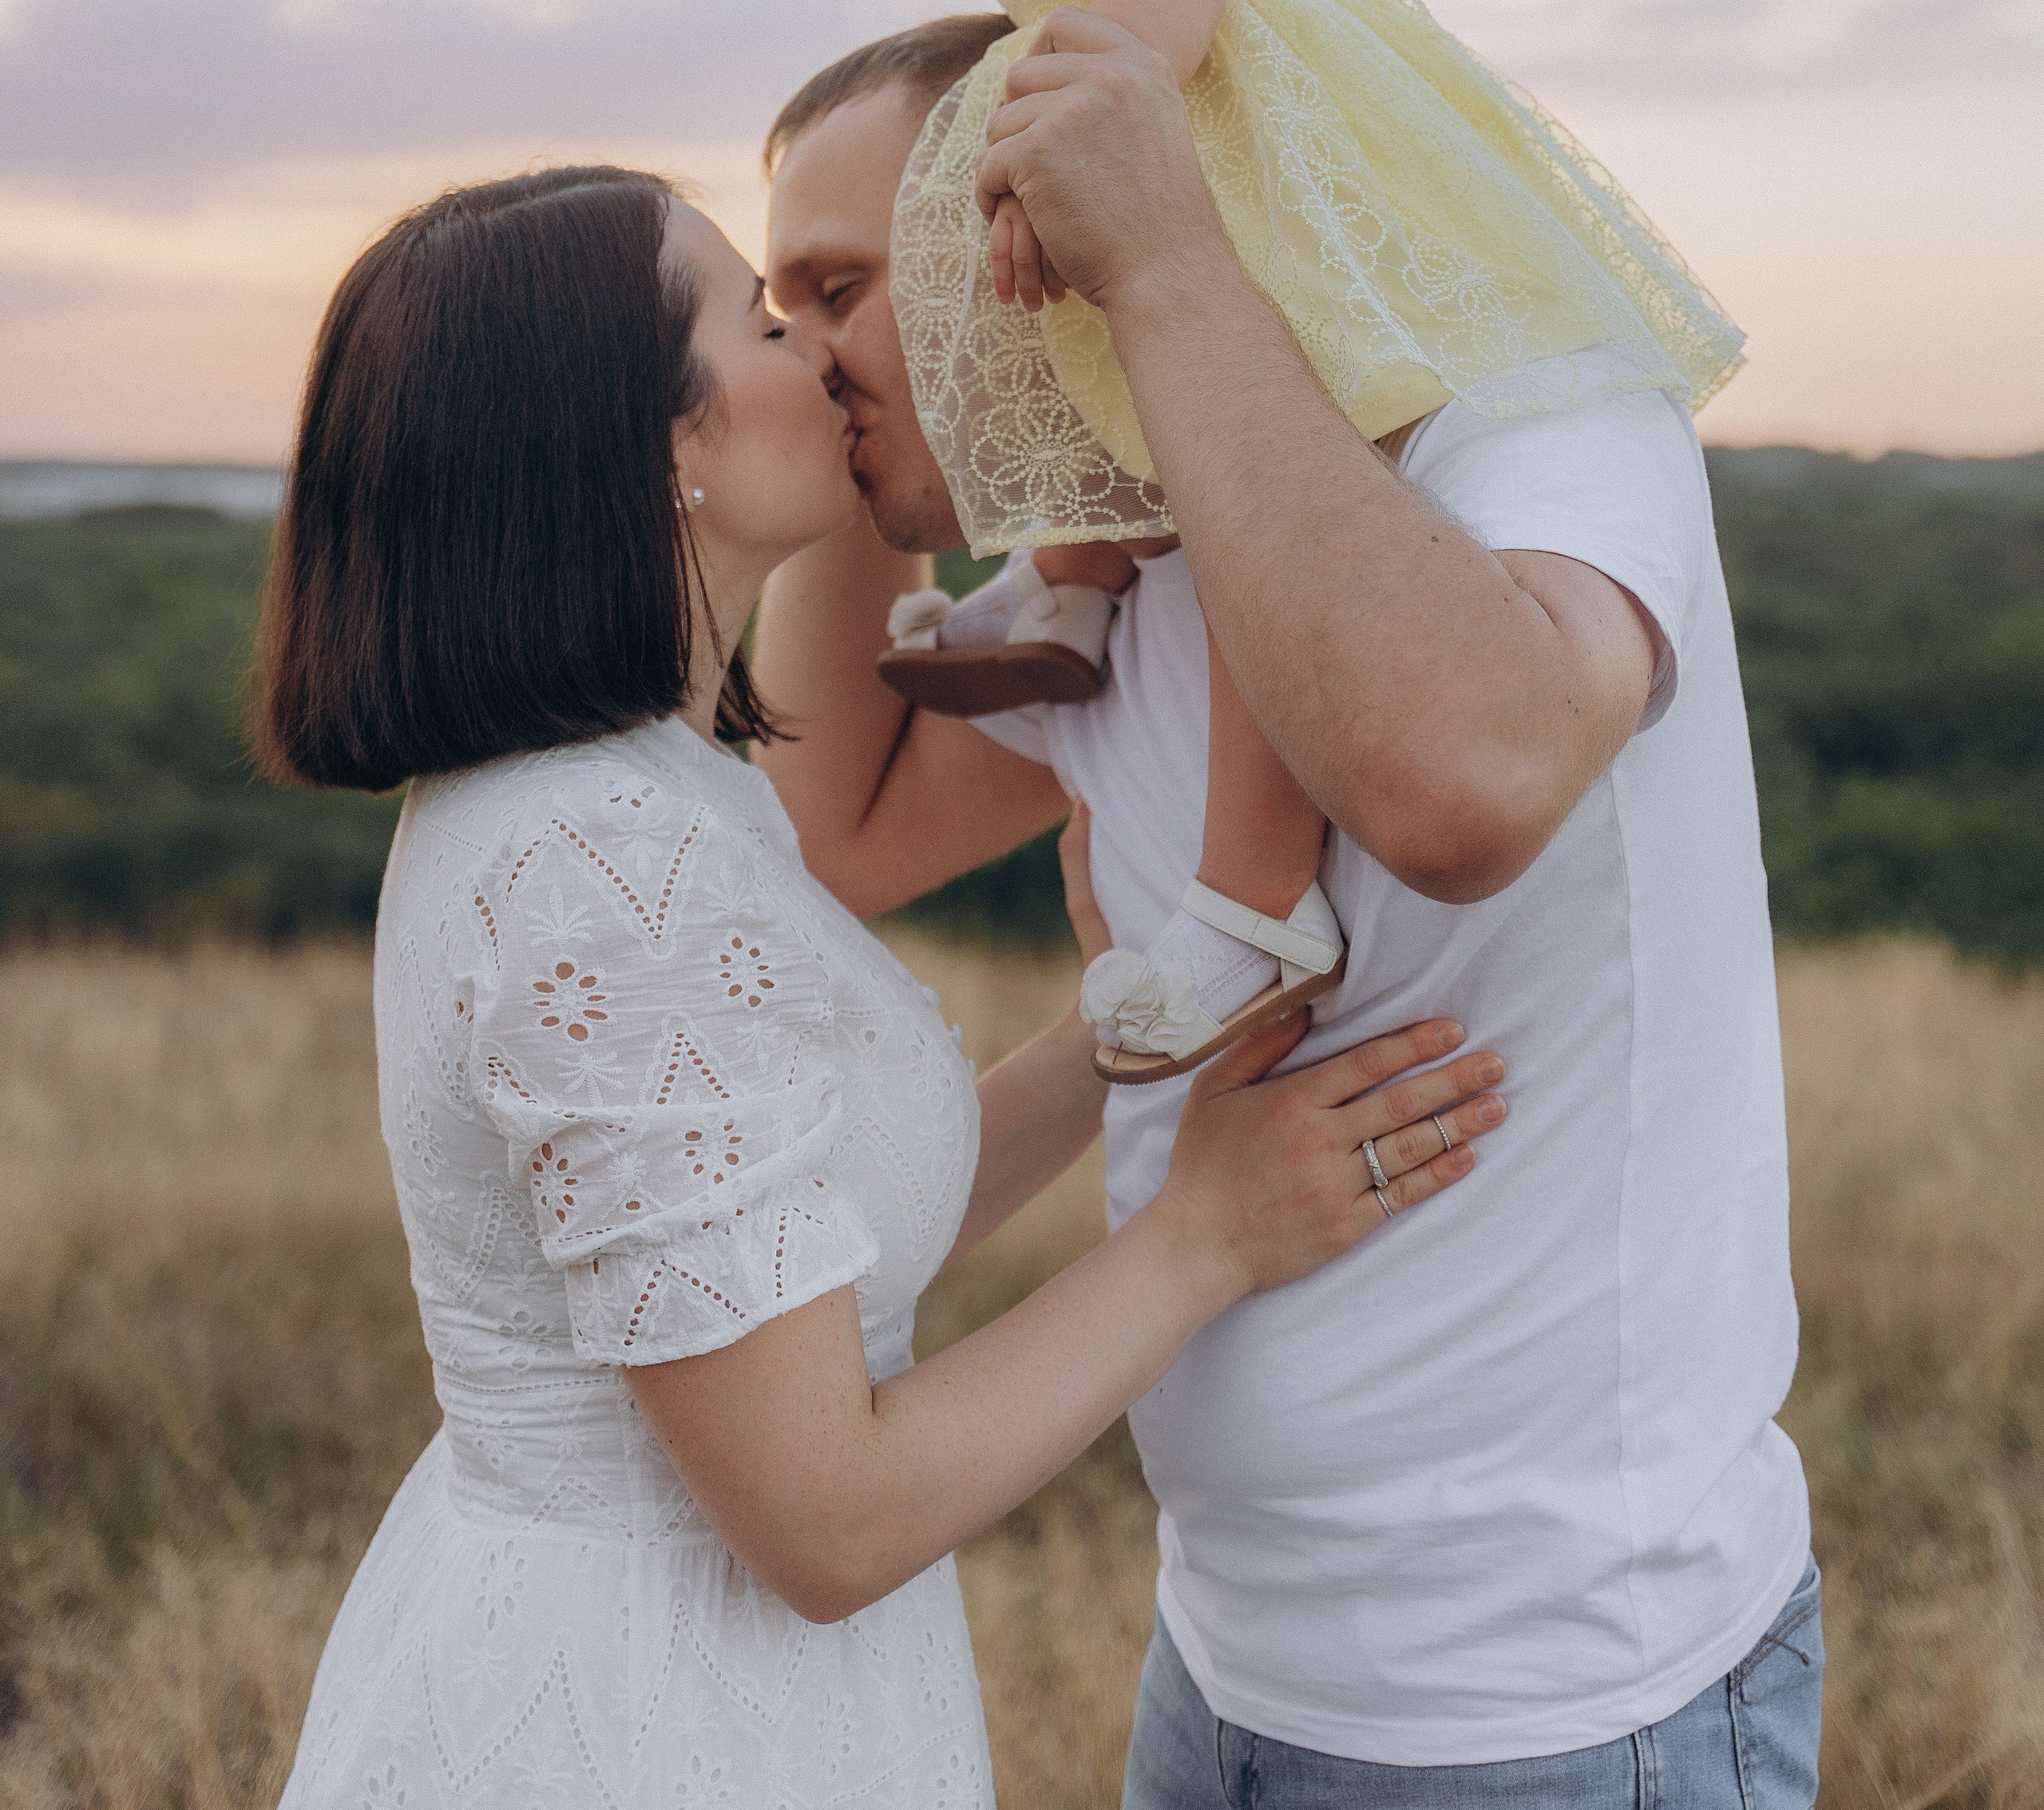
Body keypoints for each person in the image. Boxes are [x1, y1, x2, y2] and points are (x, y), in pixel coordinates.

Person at [256, 163, 1507, 1810]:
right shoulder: (607, 875)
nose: (830, 356)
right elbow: (823, 1519)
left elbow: (776, 1251)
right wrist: (1208, 1234)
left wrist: (1116, 1037)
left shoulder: (628, 797)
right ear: (661, 445)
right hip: (647, 1723)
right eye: (764, 320)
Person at [757, 22, 1825, 1804]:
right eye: (773, 309)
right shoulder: (1097, 575)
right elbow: (836, 833)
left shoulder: (1530, 403)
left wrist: (1168, 258)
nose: (800, 352)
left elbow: (1465, 784)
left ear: (1018, 224)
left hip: (1551, 1706)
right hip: (1226, 1662)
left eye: (837, 288)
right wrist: (814, 440)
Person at [881, 0, 1744, 1082]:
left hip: (1223, 180)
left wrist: (1090, 95)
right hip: (1314, 158)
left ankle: (1247, 900)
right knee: (1154, 427)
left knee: (1233, 507)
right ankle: (1060, 592)